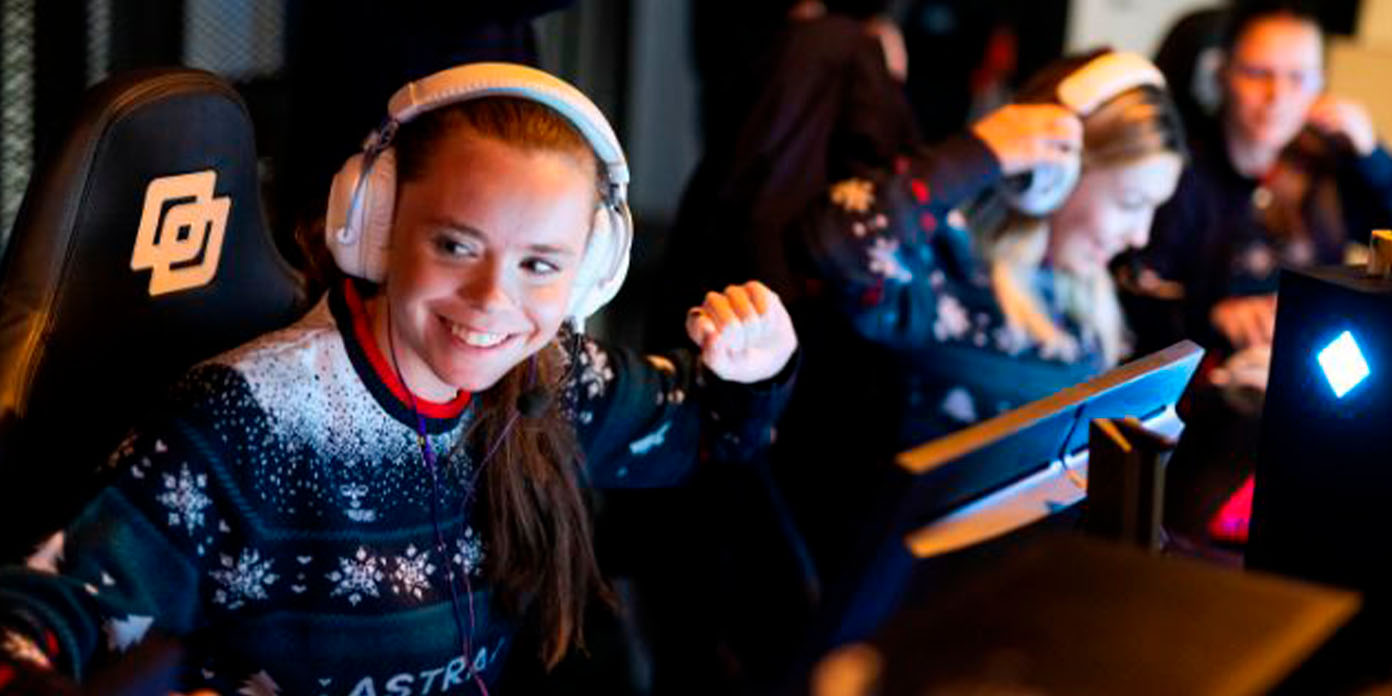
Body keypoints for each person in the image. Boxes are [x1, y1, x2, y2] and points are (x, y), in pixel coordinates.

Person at [0, 64, 798, 695]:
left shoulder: (547, 377)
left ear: (589, 275)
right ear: (376, 227)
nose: (492, 299)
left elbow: (709, 431)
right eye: (456, 246)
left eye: (539, 264)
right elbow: (49, 610)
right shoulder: (251, 417)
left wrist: (758, 368)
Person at [776, 50, 1185, 582]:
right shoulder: (941, 265)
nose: (1141, 235)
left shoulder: (1084, 297)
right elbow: (832, 243)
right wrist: (982, 153)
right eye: (1131, 202)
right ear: (1055, 173)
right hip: (922, 596)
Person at [1125, 0, 1392, 355]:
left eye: (1299, 78)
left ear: (1321, 83)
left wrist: (1371, 154)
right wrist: (1211, 316)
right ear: (1223, 73)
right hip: (1208, 373)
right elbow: (1134, 300)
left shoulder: (1329, 165)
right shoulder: (1181, 174)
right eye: (1256, 73)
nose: (1276, 96)